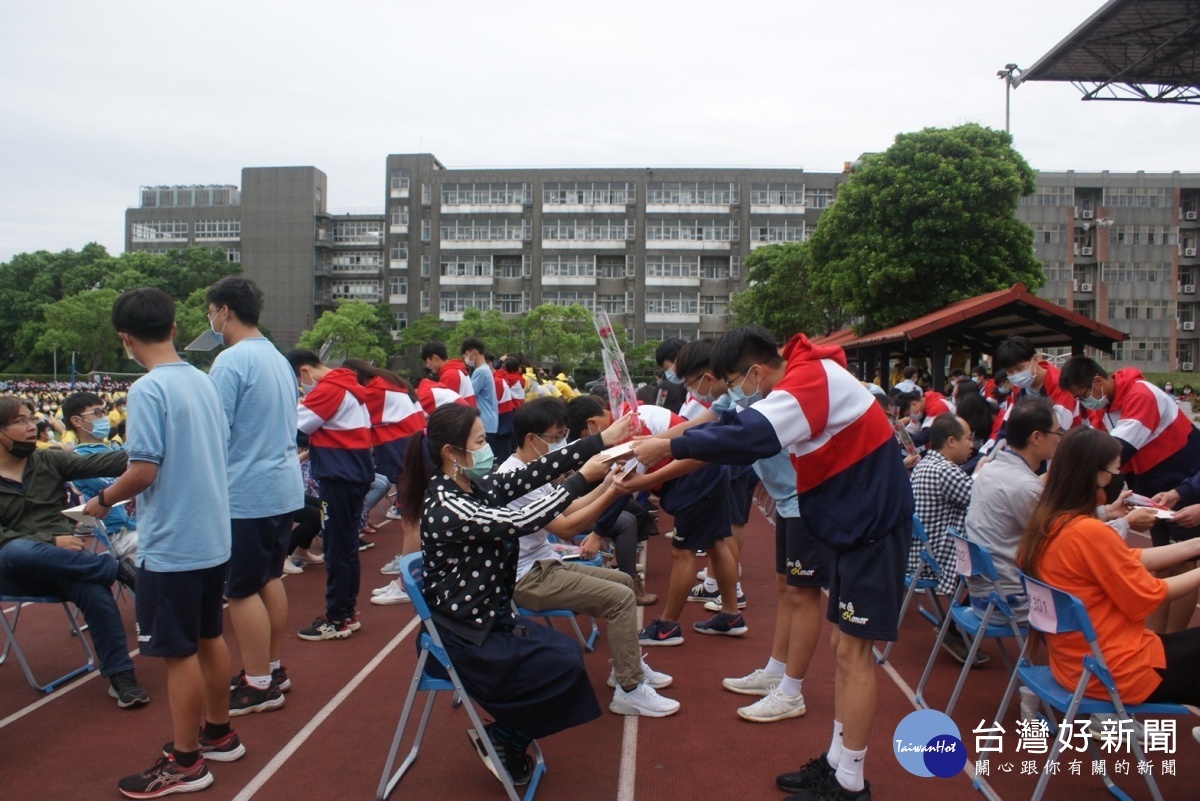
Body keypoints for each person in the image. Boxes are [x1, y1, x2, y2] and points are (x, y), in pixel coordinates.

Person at [630, 325, 913, 801]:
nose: (743, 395)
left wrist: (665, 447)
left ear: (755, 371)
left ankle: (850, 783)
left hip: (873, 527)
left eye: (740, 383)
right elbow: (727, 427)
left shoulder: (808, 381)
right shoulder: (804, 375)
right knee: (845, 647)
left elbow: (749, 436)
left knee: (854, 654)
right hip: (852, 523)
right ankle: (838, 763)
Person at [399, 403, 636, 785]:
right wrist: (581, 478)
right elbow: (520, 521)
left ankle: (505, 734)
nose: (488, 448)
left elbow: (532, 474)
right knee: (560, 667)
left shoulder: (473, 485)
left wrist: (600, 442)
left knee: (565, 658)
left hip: (487, 620)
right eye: (479, 441)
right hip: (464, 636)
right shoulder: (449, 507)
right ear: (451, 453)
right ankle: (508, 735)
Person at [85, 287, 239, 798]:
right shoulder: (203, 379)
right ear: (174, 329)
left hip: (173, 538)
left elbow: (144, 471)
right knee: (208, 636)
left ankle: (187, 761)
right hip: (213, 532)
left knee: (177, 653)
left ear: (125, 339)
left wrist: (101, 500)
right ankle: (219, 732)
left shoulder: (149, 390)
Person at [499, 398, 679, 717]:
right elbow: (567, 527)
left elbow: (567, 507)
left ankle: (627, 666)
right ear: (532, 438)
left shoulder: (529, 470)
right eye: (556, 437)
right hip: (526, 577)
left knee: (624, 580)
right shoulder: (514, 477)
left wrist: (610, 481)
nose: (561, 443)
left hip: (544, 564)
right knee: (621, 598)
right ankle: (630, 688)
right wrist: (613, 491)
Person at [1018, 426, 1200, 709]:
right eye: (1115, 470)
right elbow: (1148, 594)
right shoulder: (1089, 532)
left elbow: (1124, 560)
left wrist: (1195, 545)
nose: (1121, 480)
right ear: (1095, 475)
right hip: (1116, 671)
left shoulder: (1049, 523)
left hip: (1074, 662)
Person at [0, 395, 144, 708]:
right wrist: (50, 540)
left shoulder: (48, 460)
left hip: (66, 567)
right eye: (20, 421)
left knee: (92, 590)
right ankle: (116, 570)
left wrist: (150, 449)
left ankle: (121, 677)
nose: (31, 427)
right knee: (16, 549)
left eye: (31, 419)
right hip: (14, 571)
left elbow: (102, 463)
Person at [204, 277, 306, 716]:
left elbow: (214, 431)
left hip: (246, 489)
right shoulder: (278, 358)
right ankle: (271, 667)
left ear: (224, 310)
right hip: (281, 484)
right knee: (269, 578)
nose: (210, 320)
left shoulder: (230, 361)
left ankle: (258, 683)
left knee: (240, 589)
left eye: (210, 312)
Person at [568, 395, 744, 645]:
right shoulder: (629, 413)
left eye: (588, 438)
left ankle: (667, 627)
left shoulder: (628, 430)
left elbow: (623, 487)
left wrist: (598, 532)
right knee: (716, 542)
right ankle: (731, 615)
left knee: (683, 552)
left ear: (593, 423)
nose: (594, 444)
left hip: (697, 478)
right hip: (709, 472)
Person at [965, 397, 1155, 623]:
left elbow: (1061, 524)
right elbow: (1070, 541)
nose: (1060, 439)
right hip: (1012, 601)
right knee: (1103, 590)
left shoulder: (991, 469)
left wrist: (1110, 513)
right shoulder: (1025, 487)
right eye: (1057, 432)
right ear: (1036, 437)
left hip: (984, 595)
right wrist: (1126, 523)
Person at [1059, 355, 1200, 633]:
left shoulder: (1140, 394)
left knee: (1184, 565)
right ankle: (1159, 638)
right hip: (1156, 494)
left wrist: (1069, 479)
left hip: (1185, 482)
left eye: (1083, 395)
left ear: (1098, 381)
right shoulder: (1102, 409)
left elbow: (1112, 452)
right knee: (1162, 565)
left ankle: (1171, 641)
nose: (1083, 404)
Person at [287, 349, 373, 640]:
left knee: (336, 548)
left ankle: (337, 618)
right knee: (346, 545)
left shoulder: (328, 389)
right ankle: (346, 612)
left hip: (338, 478)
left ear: (305, 372)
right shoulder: (347, 385)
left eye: (299, 381)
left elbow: (295, 428)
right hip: (353, 474)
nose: (303, 388)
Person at [909, 415, 980, 665]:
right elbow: (981, 501)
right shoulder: (947, 471)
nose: (972, 444)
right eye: (968, 438)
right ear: (951, 441)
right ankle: (955, 629)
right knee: (996, 569)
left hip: (920, 555)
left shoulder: (926, 464)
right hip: (937, 559)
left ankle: (953, 627)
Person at [61, 392, 138, 560]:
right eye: (97, 413)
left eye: (104, 411)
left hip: (140, 525)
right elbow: (116, 484)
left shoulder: (112, 449)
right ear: (77, 421)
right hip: (119, 532)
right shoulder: (79, 458)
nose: (104, 417)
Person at [461, 337, 501, 455]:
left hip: (485, 422)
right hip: (490, 422)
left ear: (474, 352)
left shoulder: (481, 372)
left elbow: (469, 394)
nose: (466, 359)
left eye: (466, 355)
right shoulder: (485, 370)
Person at [421, 341, 476, 405]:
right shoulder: (456, 369)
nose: (427, 366)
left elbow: (447, 406)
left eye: (427, 361)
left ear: (434, 358)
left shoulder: (449, 375)